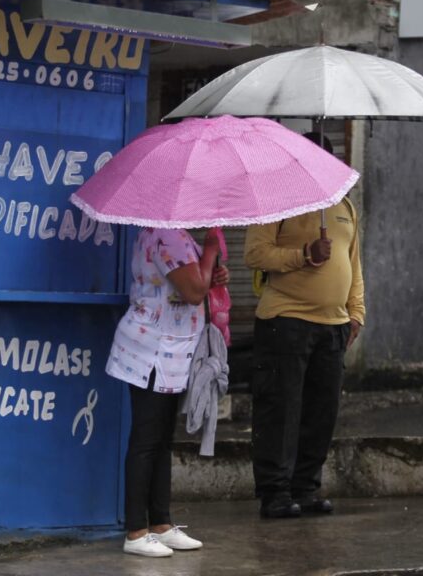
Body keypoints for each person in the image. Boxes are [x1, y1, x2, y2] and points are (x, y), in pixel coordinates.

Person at [243, 132, 364, 519]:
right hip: (286, 322)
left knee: (321, 411)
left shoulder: (344, 206)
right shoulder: (276, 202)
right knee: (280, 410)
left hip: (334, 327)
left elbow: (353, 262)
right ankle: (275, 493)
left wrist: (356, 311)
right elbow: (255, 253)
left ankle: (306, 488)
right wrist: (304, 254)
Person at [106, 226, 230, 557]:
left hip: (172, 352)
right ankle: (136, 531)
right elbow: (192, 291)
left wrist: (210, 272)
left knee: (162, 440)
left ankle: (160, 523)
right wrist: (210, 251)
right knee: (147, 440)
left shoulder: (177, 236)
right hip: (151, 351)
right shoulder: (166, 236)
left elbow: (193, 285)